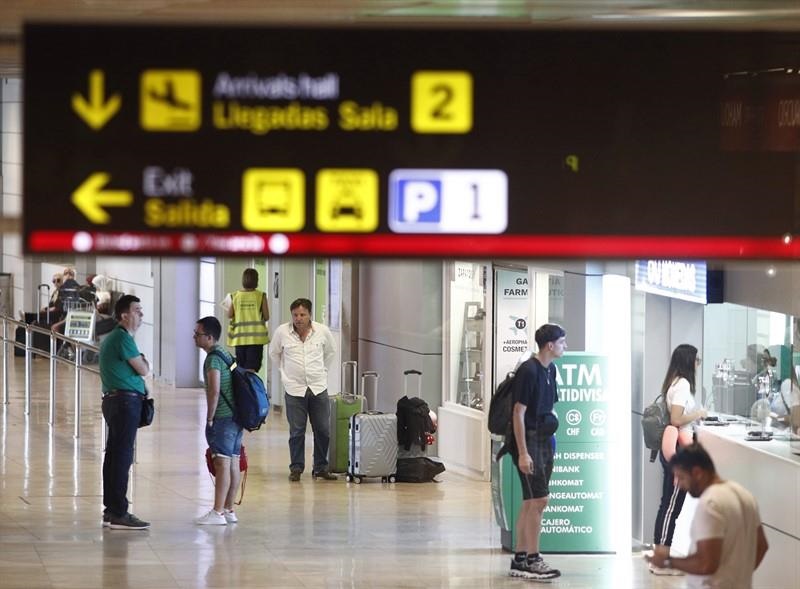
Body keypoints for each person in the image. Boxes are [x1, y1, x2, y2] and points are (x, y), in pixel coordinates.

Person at [646, 443, 768, 588]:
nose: (681, 485)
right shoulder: (744, 495)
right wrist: (739, 576)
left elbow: (706, 564)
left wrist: (668, 561)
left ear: (697, 472)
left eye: (682, 477)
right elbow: (762, 546)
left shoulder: (710, 503)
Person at [508, 324, 566, 581]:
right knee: (540, 500)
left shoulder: (550, 370)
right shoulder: (529, 371)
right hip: (529, 441)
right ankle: (533, 559)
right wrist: (523, 452)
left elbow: (549, 405)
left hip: (544, 440)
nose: (565, 346)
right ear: (550, 345)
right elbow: (518, 413)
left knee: (531, 501)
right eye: (562, 342)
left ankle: (520, 559)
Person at [650, 343, 707, 576]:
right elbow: (676, 419)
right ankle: (660, 561)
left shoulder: (673, 382)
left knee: (668, 504)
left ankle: (660, 558)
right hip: (679, 452)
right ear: (688, 362)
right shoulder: (683, 384)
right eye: (696, 360)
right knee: (671, 506)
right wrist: (699, 414)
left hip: (674, 449)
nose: (698, 364)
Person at [269, 297, 337, 481]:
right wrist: (284, 373)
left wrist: (323, 371)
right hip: (294, 389)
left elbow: (330, 352)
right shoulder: (282, 332)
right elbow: (274, 353)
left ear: (310, 315)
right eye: (295, 315)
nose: (298, 318)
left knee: (322, 429)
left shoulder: (322, 331)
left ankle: (321, 467)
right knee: (297, 431)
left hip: (318, 387)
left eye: (302, 315)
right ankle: (296, 468)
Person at [99, 294, 151, 530]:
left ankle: (112, 508)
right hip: (124, 402)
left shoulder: (119, 338)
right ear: (124, 315)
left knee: (114, 455)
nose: (141, 314)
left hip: (117, 402)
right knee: (121, 456)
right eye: (137, 310)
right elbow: (143, 369)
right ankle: (119, 511)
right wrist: (143, 362)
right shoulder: (122, 338)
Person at [194, 316, 243, 525]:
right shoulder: (225, 353)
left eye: (198, 334)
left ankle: (217, 512)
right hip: (236, 417)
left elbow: (214, 390)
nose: (194, 337)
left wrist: (210, 418)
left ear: (209, 337)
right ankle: (229, 509)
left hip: (223, 418)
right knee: (233, 462)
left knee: (222, 463)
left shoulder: (213, 359)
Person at [227, 268, 270, 372]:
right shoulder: (261, 295)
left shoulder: (234, 296)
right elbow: (266, 316)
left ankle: (241, 382)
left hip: (239, 338)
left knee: (241, 367)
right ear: (256, 280)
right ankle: (249, 383)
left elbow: (229, 315)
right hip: (256, 339)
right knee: (252, 368)